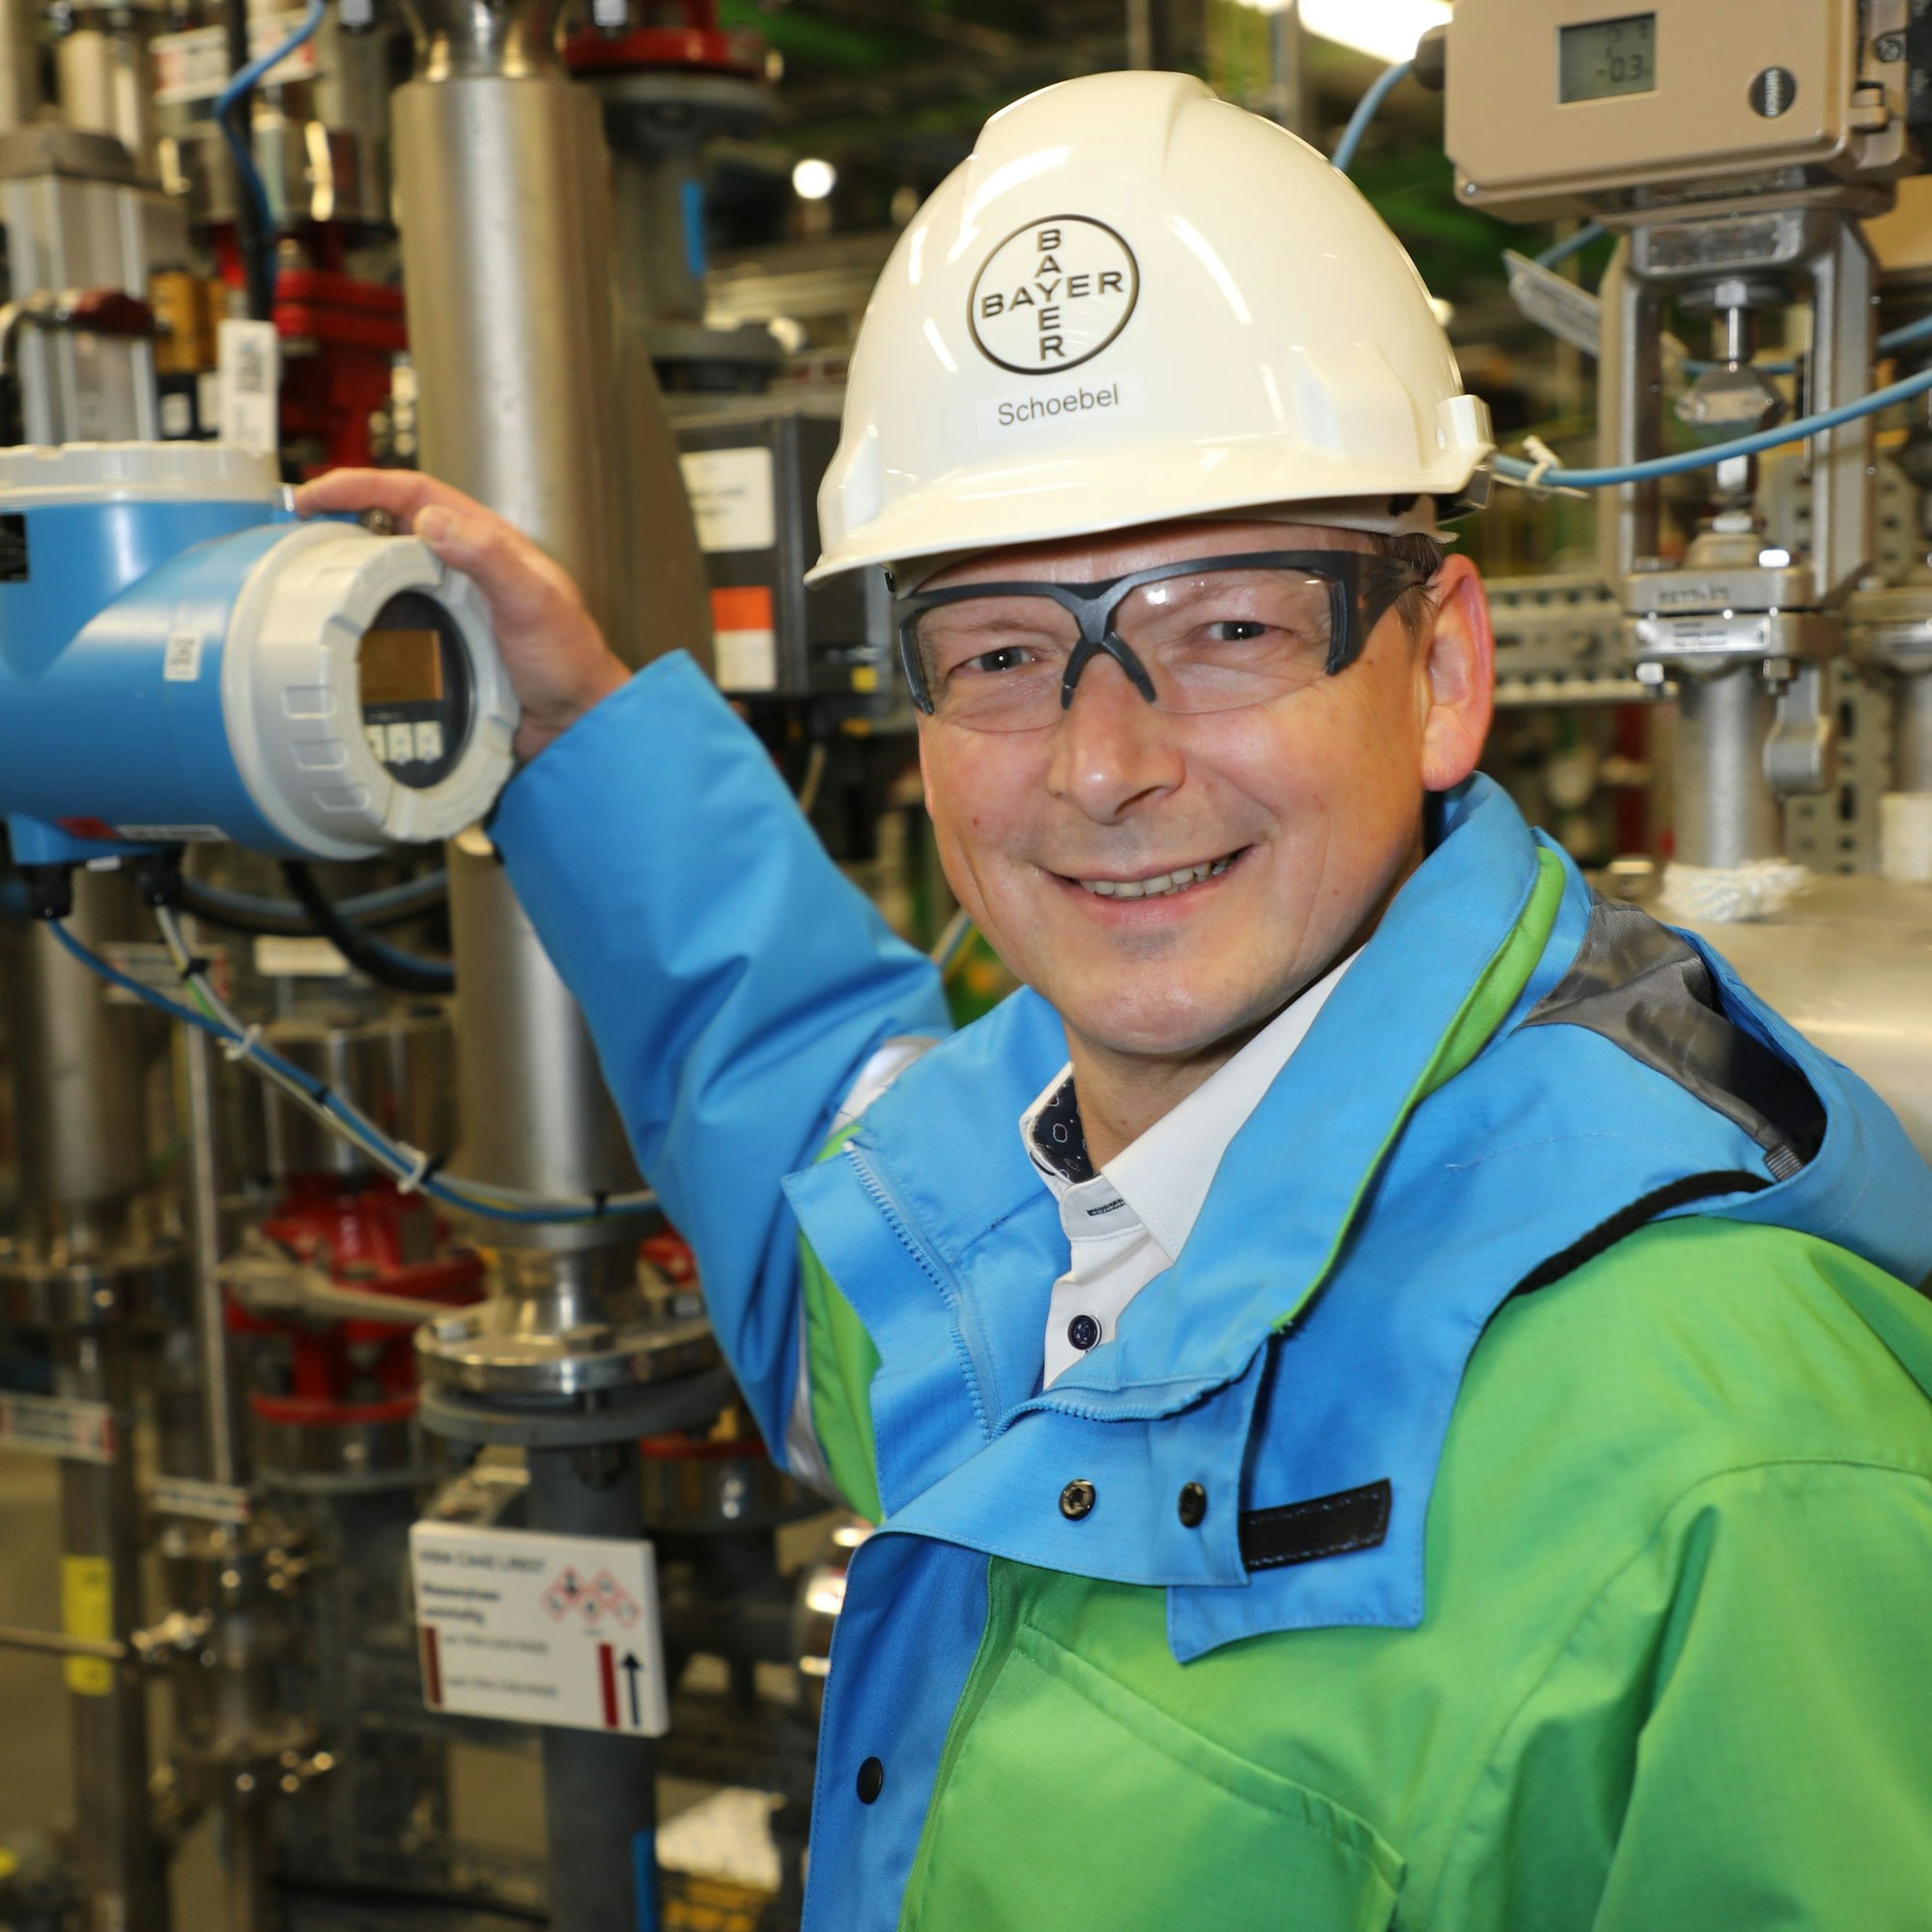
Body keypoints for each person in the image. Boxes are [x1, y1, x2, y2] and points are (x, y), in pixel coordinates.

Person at [303, 70, 1932, 1932]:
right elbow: (822, 1154)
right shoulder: (1031, 1198)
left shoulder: (1743, 1468)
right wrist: (583, 740)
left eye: (1226, 628)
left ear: (1441, 671)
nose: (1100, 765)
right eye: (1003, 651)